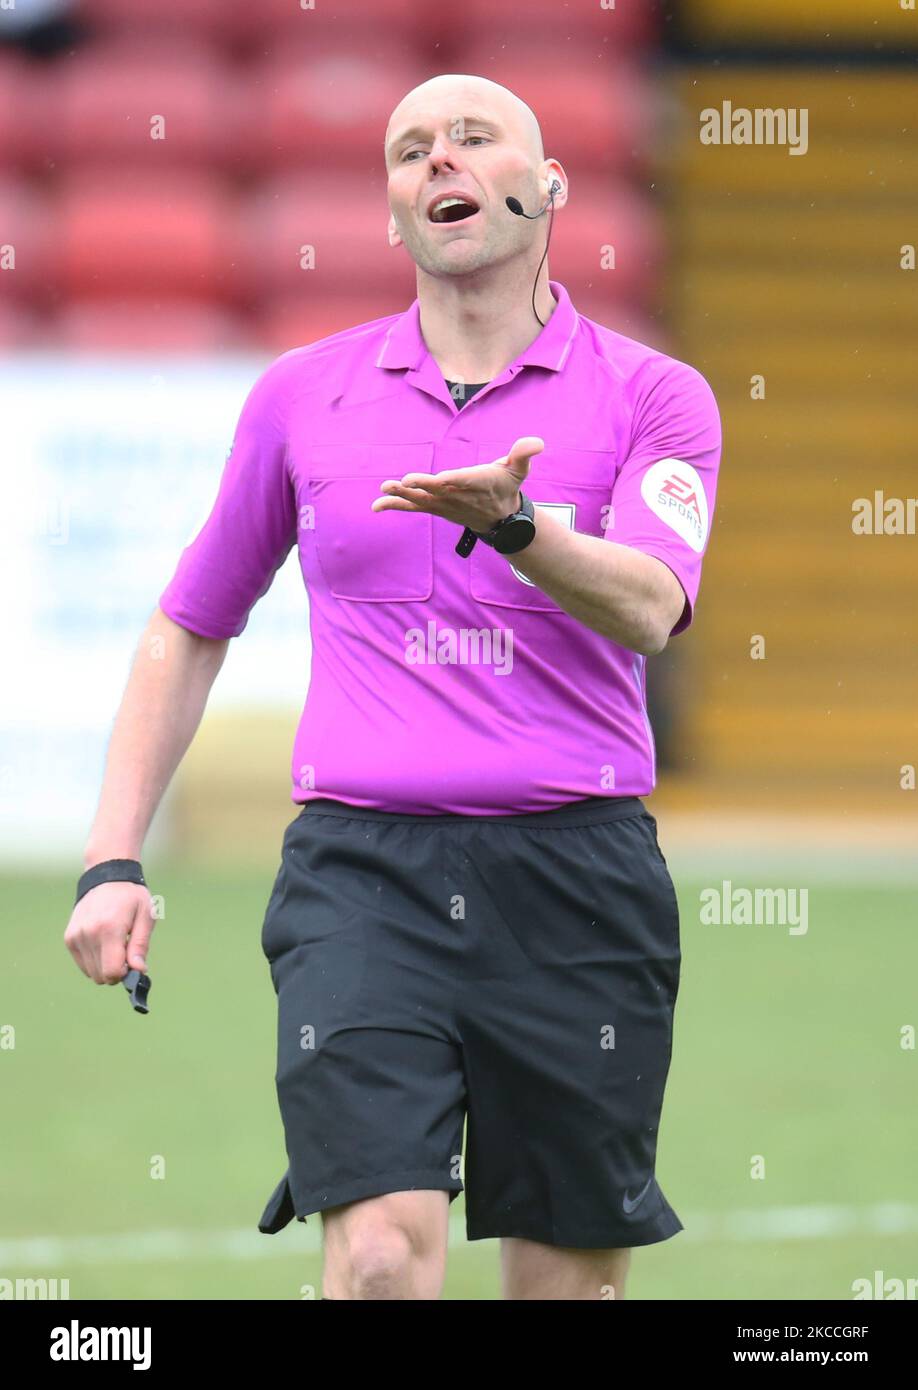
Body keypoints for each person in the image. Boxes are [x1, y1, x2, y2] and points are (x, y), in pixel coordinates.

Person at [65, 73, 722, 1300]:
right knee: (373, 1260)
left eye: (473, 138)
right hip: (362, 876)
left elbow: (648, 604)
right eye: (409, 149)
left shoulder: (653, 395)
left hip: (579, 880)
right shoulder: (303, 397)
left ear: (548, 187)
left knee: (568, 1286)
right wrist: (114, 859)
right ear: (391, 211)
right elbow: (187, 624)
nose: (439, 160)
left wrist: (518, 524)